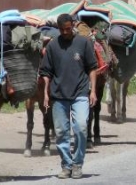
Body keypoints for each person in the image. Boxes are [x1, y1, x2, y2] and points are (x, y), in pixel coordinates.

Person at [40, 13, 97, 179]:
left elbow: (92, 68)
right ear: (58, 28)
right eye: (62, 29)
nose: (65, 32)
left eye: (67, 28)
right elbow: (46, 72)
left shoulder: (83, 43)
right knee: (61, 132)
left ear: (72, 25)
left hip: (80, 92)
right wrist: (45, 92)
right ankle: (66, 165)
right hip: (58, 95)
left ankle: (77, 164)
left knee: (80, 127)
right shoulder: (52, 46)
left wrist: (92, 90)